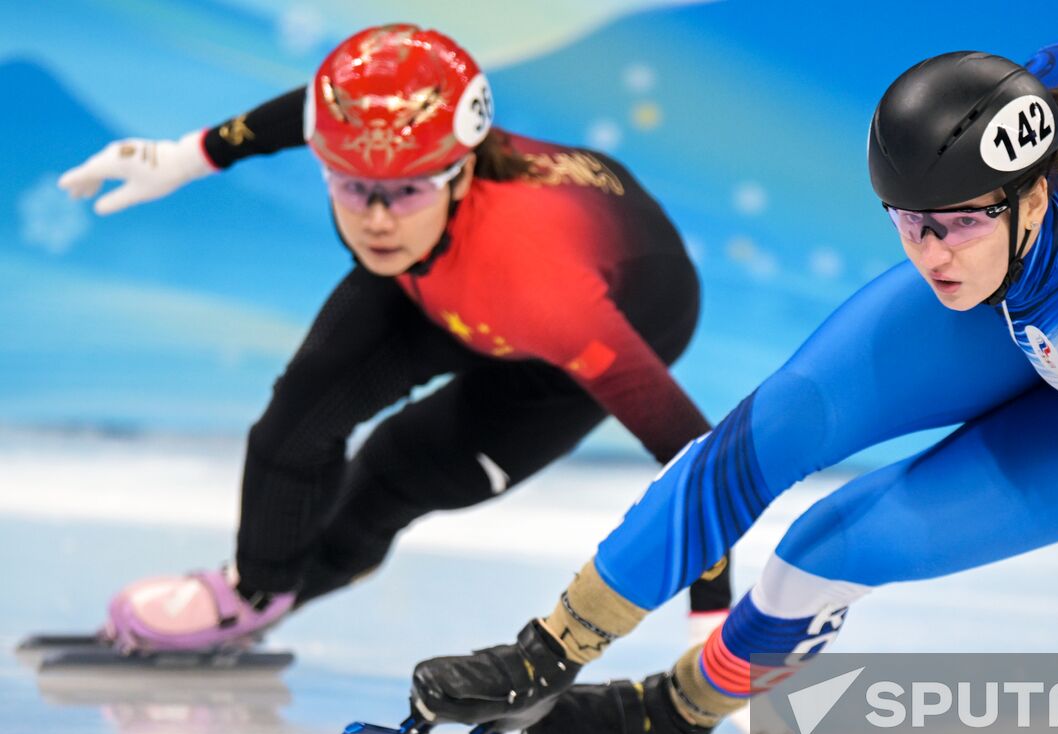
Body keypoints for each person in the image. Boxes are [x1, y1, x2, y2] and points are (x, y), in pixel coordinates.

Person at [398, 41, 1058, 734]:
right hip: (1017, 294)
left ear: (1025, 197)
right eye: (908, 223)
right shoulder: (991, 193)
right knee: (769, 432)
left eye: (954, 226)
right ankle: (544, 652)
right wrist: (968, 228)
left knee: (837, 544)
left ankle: (675, 709)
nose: (930, 253)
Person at [60, 23, 731, 654]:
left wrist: (713, 612)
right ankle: (251, 592)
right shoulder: (393, 190)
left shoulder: (545, 287)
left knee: (394, 470)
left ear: (462, 173)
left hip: (584, 321)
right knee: (292, 425)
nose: (376, 219)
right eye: (352, 187)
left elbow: (693, 454)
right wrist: (186, 155)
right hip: (436, 276)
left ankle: (279, 593)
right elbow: (311, 115)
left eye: (406, 190)